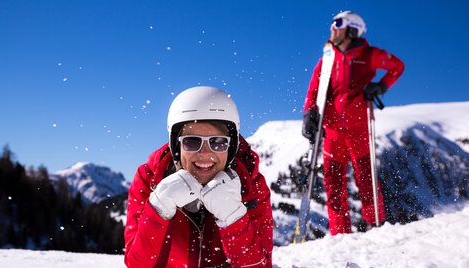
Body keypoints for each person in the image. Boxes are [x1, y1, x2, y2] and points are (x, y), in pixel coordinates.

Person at [124, 86, 273, 267]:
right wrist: (159, 208)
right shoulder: (148, 179)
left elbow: (260, 265)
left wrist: (233, 217)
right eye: (191, 141)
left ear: (231, 146)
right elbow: (137, 265)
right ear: (176, 146)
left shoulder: (251, 184)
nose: (204, 153)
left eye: (218, 142)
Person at [302, 11, 404, 235]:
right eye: (332, 24)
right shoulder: (328, 58)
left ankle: (375, 225)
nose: (332, 29)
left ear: (351, 29)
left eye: (337, 24)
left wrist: (381, 86)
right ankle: (340, 234)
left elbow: (397, 66)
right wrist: (309, 113)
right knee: (333, 183)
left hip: (359, 128)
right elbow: (314, 90)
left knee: (366, 180)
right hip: (332, 130)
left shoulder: (369, 55)